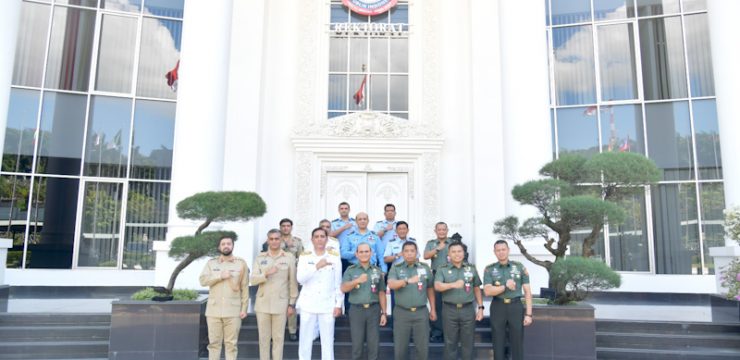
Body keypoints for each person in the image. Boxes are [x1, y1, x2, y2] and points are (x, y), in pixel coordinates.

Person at [250, 229, 299, 360]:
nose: (274, 241)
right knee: (263, 339)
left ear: (281, 240)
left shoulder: (289, 257)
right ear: (268, 240)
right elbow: (253, 279)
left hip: (281, 304)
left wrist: (292, 304)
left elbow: (292, 282)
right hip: (262, 303)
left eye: (277, 238)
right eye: (271, 239)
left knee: (278, 338)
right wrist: (266, 273)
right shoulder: (260, 258)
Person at [199, 236, 249, 360]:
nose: (226, 246)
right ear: (219, 247)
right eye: (223, 244)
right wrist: (219, 276)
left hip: (233, 310)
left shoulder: (241, 263)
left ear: (233, 246)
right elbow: (203, 280)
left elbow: (245, 287)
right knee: (214, 344)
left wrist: (244, 308)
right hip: (213, 310)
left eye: (228, 244)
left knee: (231, 344)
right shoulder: (211, 263)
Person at [296, 228, 343, 360]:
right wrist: (316, 266)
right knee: (305, 340)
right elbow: (300, 279)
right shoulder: (305, 256)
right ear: (312, 239)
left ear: (327, 239)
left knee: (327, 341)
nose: (319, 239)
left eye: (322, 236)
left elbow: (338, 283)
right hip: (308, 304)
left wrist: (338, 304)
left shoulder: (334, 257)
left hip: (327, 304)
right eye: (316, 236)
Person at [483, 240, 533, 360]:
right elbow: (488, 291)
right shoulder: (489, 269)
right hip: (497, 306)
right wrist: (505, 286)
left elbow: (527, 292)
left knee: (517, 341)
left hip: (515, 307)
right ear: (494, 252)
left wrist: (529, 314)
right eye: (498, 250)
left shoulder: (519, 267)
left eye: (503, 249)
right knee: (497, 341)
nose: (501, 252)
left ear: (508, 250)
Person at [387, 241, 436, 360]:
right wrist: (407, 281)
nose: (409, 254)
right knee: (400, 348)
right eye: (406, 251)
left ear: (417, 253)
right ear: (402, 253)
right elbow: (391, 284)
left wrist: (433, 309)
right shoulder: (396, 268)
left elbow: (430, 288)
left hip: (421, 312)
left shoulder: (425, 268)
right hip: (402, 312)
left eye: (412, 251)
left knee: (422, 347)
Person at [434, 242, 484, 360]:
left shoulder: (471, 269)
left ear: (464, 253)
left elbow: (476, 288)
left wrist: (481, 308)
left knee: (468, 342)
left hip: (467, 309)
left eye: (459, 251)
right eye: (454, 252)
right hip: (449, 309)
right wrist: (453, 285)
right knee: (450, 343)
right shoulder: (442, 269)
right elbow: (437, 286)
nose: (457, 254)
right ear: (449, 254)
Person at [341, 243, 388, 360]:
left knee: (374, 344)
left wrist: (384, 313)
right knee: (357, 344)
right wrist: (357, 281)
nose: (364, 254)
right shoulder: (350, 270)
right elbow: (344, 288)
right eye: (361, 252)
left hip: (374, 309)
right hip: (357, 310)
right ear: (356, 254)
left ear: (371, 253)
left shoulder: (377, 271)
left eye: (366, 251)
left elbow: (381, 292)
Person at [423, 221, 452, 343]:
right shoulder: (431, 243)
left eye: (443, 229)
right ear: (435, 231)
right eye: (439, 229)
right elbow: (425, 256)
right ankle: (437, 332)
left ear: (447, 230)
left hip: (452, 276)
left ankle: (450, 333)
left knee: (451, 304)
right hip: (436, 276)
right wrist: (437, 249)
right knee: (437, 304)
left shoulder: (453, 243)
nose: (441, 231)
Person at [373, 203, 397, 270]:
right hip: (382, 255)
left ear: (395, 213)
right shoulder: (379, 224)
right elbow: (374, 238)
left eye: (392, 211)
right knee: (383, 276)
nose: (390, 212)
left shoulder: (399, 224)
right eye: (388, 211)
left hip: (395, 255)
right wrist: (385, 229)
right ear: (384, 213)